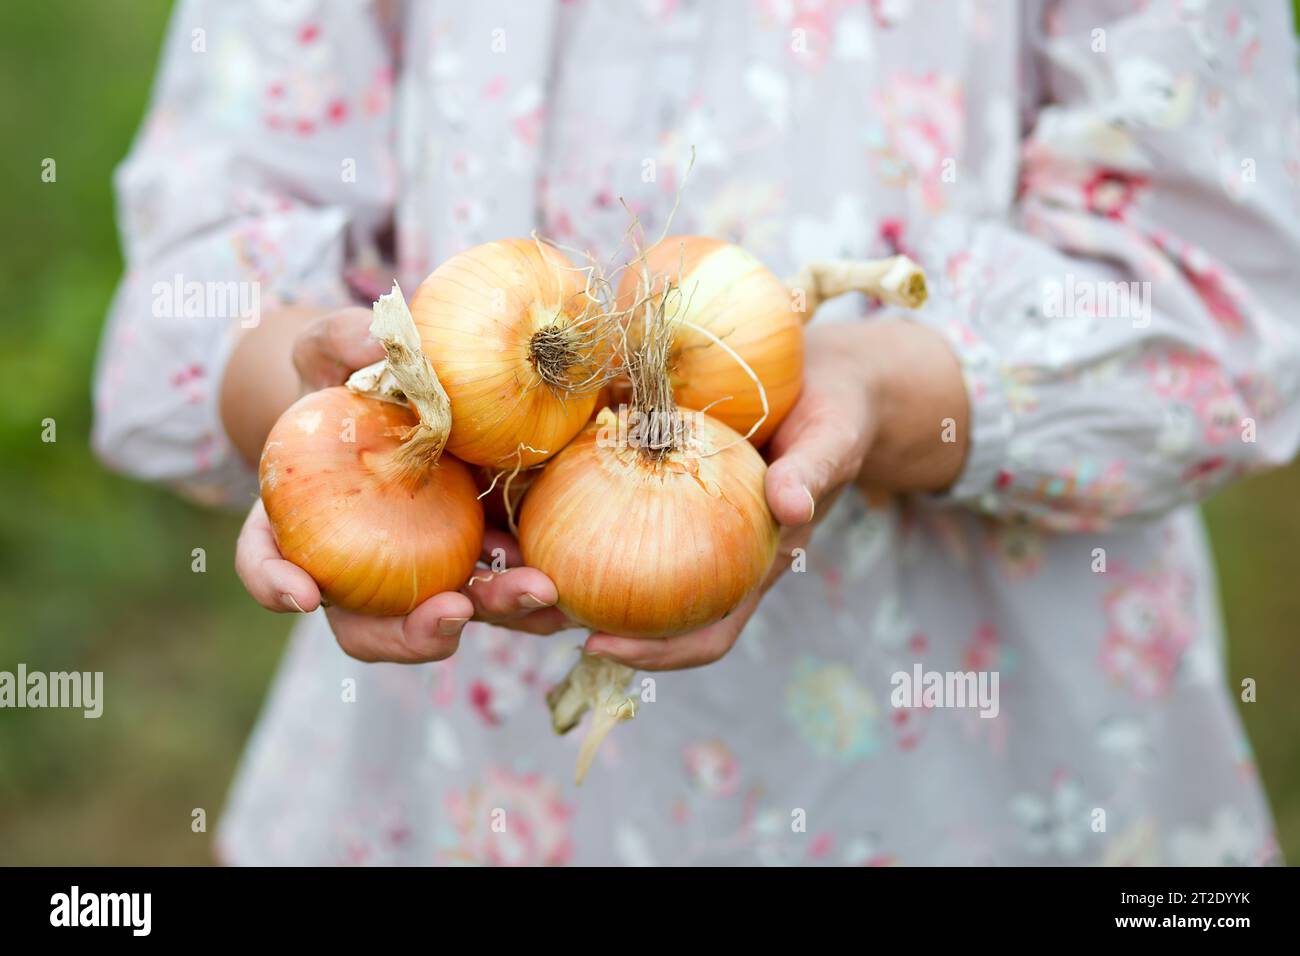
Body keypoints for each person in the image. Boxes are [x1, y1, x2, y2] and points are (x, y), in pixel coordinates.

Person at [95, 0, 1300, 865]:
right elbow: (205, 271)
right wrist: (330, 420)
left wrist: (870, 392)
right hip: (455, 778)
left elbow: (1218, 306)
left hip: (976, 769)